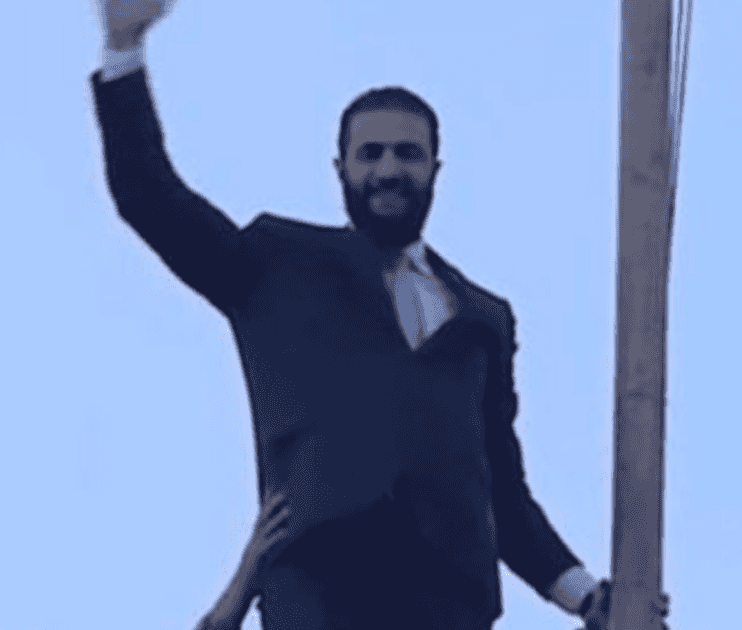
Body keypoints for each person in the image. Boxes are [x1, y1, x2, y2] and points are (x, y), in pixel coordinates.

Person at [91, 2, 668, 628]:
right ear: (340, 168)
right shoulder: (278, 264)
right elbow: (152, 198)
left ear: (434, 170)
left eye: (407, 154)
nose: (389, 170)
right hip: (324, 590)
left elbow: (502, 492)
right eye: (370, 154)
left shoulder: (484, 318)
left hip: (448, 605)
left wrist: (586, 597)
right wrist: (124, 50)